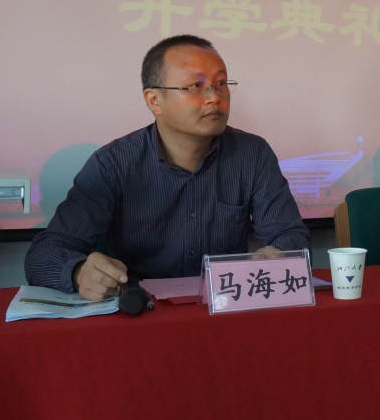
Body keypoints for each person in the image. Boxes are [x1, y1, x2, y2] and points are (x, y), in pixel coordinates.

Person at [25, 35, 310, 299]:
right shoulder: (113, 164)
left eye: (221, 83)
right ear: (154, 100)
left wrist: (278, 254)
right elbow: (43, 254)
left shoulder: (252, 154)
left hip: (223, 308)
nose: (214, 97)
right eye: (196, 86)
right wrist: (78, 272)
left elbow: (291, 235)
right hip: (140, 315)